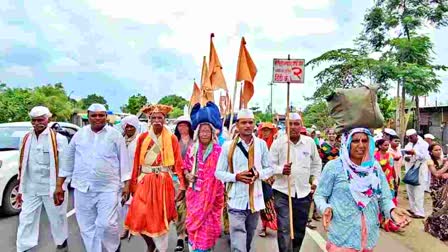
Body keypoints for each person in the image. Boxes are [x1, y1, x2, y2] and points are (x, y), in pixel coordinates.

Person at [315, 128, 411, 251]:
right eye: (355, 141)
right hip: (342, 236)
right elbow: (320, 195)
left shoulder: (374, 167)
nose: (361, 145)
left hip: (368, 236)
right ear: (347, 142)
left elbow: (385, 197)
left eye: (365, 141)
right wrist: (325, 208)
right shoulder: (334, 167)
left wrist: (392, 211)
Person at [55, 103, 131, 252]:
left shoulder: (115, 135)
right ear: (88, 117)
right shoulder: (79, 135)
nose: (97, 118)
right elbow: (68, 161)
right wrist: (59, 185)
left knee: (107, 224)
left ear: (106, 117)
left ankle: (113, 247)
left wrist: (126, 185)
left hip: (108, 188)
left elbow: (124, 161)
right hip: (82, 187)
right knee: (86, 226)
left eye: (101, 115)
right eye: (94, 115)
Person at [125, 104, 186, 252]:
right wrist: (132, 184)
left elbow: (178, 163)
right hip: (145, 180)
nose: (157, 120)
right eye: (154, 118)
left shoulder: (171, 138)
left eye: (160, 117)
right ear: (149, 119)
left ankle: (161, 248)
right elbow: (135, 164)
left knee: (159, 217)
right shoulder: (143, 138)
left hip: (163, 181)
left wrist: (182, 185)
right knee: (138, 216)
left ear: (165, 120)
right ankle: (150, 244)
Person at [215, 109, 273, 252]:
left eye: (250, 122)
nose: (247, 125)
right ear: (237, 125)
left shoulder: (261, 145)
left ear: (254, 125)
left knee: (248, 238)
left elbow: (270, 169)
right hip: (235, 200)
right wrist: (236, 176)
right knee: (238, 240)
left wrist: (258, 174)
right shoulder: (228, 146)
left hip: (255, 200)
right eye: (244, 122)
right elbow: (218, 172)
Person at [16, 106, 69, 252]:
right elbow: (22, 164)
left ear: (48, 119)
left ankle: (61, 243)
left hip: (52, 187)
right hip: (31, 187)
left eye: (40, 119)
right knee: (26, 218)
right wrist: (21, 188)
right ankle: (25, 247)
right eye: (34, 120)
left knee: (57, 218)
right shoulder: (26, 138)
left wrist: (60, 187)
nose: (37, 123)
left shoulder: (59, 139)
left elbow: (65, 166)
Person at [270, 113, 322, 251]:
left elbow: (317, 164)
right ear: (285, 126)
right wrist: (281, 169)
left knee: (299, 230)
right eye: (290, 124)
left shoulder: (309, 143)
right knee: (285, 229)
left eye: (296, 124)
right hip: (282, 192)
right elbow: (268, 167)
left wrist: (315, 180)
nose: (293, 127)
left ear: (301, 125)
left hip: (304, 193)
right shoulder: (278, 143)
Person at [183, 122, 224, 251]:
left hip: (213, 197)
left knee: (208, 226)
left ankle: (206, 247)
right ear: (198, 133)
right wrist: (188, 175)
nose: (205, 134)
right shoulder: (192, 149)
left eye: (207, 131)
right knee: (194, 224)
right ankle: (194, 247)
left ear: (212, 134)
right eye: (202, 131)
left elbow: (223, 171)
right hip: (195, 195)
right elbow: (185, 167)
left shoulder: (219, 151)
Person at [173, 115, 194, 251]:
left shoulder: (195, 141)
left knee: (192, 208)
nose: (182, 128)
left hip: (193, 178)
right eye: (180, 125)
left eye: (185, 125)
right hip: (176, 179)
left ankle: (189, 232)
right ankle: (180, 236)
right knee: (179, 208)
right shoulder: (173, 141)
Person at [119, 115, 141, 239]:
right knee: (122, 203)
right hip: (120, 175)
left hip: (135, 175)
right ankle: (125, 227)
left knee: (132, 203)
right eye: (127, 127)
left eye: (131, 127)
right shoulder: (120, 139)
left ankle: (132, 227)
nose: (129, 129)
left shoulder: (139, 140)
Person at [257, 122, 278, 237]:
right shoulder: (257, 144)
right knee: (263, 204)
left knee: (273, 204)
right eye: (264, 130)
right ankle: (264, 227)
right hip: (261, 179)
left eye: (268, 130)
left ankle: (277, 225)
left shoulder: (275, 145)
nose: (265, 132)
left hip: (274, 180)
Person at [374, 139, 400, 232]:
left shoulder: (390, 156)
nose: (387, 147)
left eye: (387, 145)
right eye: (385, 145)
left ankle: (389, 221)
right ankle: (378, 220)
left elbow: (392, 168)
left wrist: (395, 179)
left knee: (389, 200)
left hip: (389, 182)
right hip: (377, 181)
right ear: (380, 146)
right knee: (377, 201)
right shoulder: (374, 156)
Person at [403, 129, 430, 219]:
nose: (409, 139)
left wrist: (415, 153)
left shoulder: (424, 144)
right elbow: (406, 156)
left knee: (418, 191)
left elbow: (425, 157)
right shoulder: (409, 144)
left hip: (420, 170)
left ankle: (420, 212)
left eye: (411, 137)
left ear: (415, 135)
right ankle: (413, 209)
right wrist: (407, 156)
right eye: (408, 138)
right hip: (410, 169)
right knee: (410, 190)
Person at [424, 143, 448, 241]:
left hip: (445, 187)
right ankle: (429, 222)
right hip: (436, 188)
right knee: (438, 208)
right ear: (431, 152)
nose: (438, 152)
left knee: (445, 209)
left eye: (439, 149)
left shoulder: (445, 160)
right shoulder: (430, 161)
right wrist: (446, 166)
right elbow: (436, 173)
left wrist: (446, 173)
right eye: (436, 150)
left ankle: (443, 230)